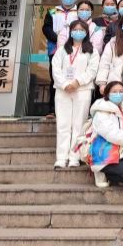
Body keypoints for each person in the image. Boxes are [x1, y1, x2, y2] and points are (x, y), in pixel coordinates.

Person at [51, 20, 100, 169]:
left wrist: (77, 82)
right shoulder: (62, 50)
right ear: (70, 31)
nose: (78, 32)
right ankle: (61, 158)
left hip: (82, 90)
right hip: (63, 91)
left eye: (81, 30)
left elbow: (92, 70)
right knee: (63, 124)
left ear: (86, 33)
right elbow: (55, 68)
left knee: (79, 125)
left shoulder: (92, 50)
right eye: (75, 29)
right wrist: (65, 84)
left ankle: (74, 157)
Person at [42, 0, 79, 119]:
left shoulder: (79, 12)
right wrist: (59, 39)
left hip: (75, 51)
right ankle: (53, 109)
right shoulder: (52, 12)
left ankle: (74, 110)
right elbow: (46, 28)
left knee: (74, 79)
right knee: (55, 79)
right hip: (55, 51)